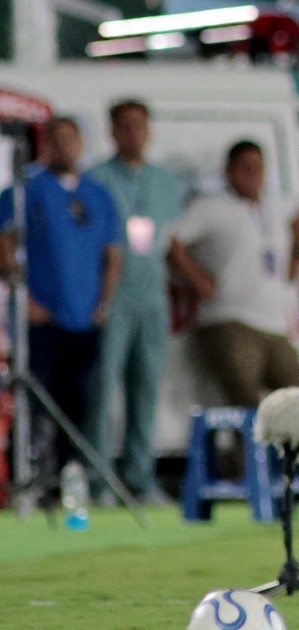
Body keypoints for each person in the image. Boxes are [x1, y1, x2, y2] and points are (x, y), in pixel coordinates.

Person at [0, 117, 122, 502]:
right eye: (57, 140)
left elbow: (112, 254)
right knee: (34, 402)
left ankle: (70, 481)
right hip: (41, 319)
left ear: (81, 144)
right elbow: (5, 245)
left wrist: (102, 304)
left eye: (71, 139)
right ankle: (27, 479)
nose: (65, 147)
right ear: (45, 145)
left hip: (84, 319)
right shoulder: (25, 191)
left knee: (78, 404)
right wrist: (25, 301)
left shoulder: (97, 194)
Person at [85, 100, 183, 505]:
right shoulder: (96, 179)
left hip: (151, 294)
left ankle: (140, 477)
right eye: (124, 126)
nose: (133, 134)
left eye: (139, 126)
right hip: (113, 294)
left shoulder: (165, 182)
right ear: (112, 131)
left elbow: (170, 241)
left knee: (147, 388)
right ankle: (98, 479)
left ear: (149, 130)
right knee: (103, 388)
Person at [166, 140, 299, 408]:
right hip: (229, 320)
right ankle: (245, 439)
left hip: (274, 323)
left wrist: (297, 255)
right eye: (245, 167)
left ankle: (289, 439)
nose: (253, 174)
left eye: (258, 167)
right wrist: (198, 279)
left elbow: (297, 214)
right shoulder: (210, 207)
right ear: (228, 171)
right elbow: (171, 241)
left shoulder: (275, 204)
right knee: (248, 405)